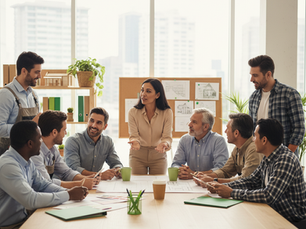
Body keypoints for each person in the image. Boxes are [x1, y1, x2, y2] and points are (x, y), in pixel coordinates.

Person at [208, 118, 306, 224]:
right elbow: (251, 180)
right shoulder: (269, 156)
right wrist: (222, 186)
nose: (253, 139)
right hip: (272, 214)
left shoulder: (285, 160)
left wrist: (231, 192)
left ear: (264, 140)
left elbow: (268, 196)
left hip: (291, 221)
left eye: (255, 136)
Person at [0, 121, 88, 228]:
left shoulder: (27, 161)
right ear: (30, 143)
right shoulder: (8, 166)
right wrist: (68, 195)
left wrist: (68, 191)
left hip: (24, 219)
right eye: (40, 138)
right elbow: (30, 200)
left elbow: (43, 185)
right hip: (9, 226)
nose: (42, 142)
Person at [248, 55, 305, 155]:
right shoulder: (253, 97)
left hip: (284, 160)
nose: (251, 79)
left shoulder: (290, 94)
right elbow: (253, 130)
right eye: (251, 75)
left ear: (268, 74)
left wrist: (286, 156)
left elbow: (299, 129)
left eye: (255, 75)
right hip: (261, 161)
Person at [31, 110, 99, 190]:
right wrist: (81, 183)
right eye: (64, 130)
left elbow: (66, 173)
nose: (66, 133)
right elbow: (46, 184)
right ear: (54, 132)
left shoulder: (53, 150)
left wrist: (86, 178)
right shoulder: (35, 153)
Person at [194, 113, 263, 185]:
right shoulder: (237, 148)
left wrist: (214, 180)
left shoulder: (253, 149)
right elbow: (225, 171)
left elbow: (245, 179)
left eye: (227, 128)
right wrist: (205, 176)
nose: (225, 131)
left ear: (236, 133)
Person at [0, 51, 44, 155]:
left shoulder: (34, 95)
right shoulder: (6, 95)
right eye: (36, 72)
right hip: (8, 154)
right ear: (24, 71)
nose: (40, 76)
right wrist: (28, 127)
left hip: (28, 156)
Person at [128, 78, 173, 175]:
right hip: (138, 154)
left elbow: (167, 137)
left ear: (157, 95)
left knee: (158, 186)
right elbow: (134, 135)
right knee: (138, 187)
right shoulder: (133, 112)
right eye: (142, 90)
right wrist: (135, 142)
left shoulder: (167, 112)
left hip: (158, 154)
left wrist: (164, 143)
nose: (143, 94)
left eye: (148, 91)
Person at [65, 107, 123, 180]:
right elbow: (74, 169)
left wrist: (118, 169)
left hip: (93, 185)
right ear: (88, 121)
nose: (94, 125)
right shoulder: (73, 141)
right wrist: (99, 175)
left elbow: (115, 163)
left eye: (99, 123)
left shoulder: (108, 142)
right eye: (91, 121)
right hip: (72, 184)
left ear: (105, 126)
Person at [171, 108, 228, 179]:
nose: (189, 124)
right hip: (189, 183)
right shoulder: (185, 139)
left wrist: (194, 174)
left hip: (211, 184)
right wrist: (181, 170)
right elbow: (175, 164)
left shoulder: (218, 141)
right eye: (190, 120)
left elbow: (221, 169)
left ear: (205, 127)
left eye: (194, 122)